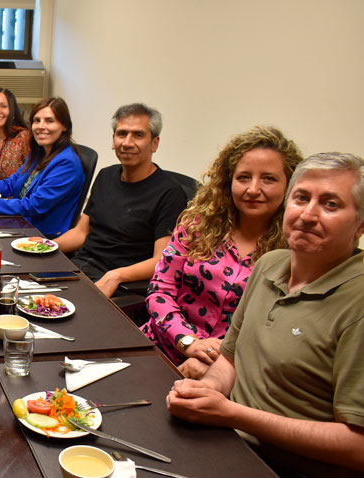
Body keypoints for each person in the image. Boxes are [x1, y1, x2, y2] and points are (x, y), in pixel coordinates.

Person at [167, 152, 364, 477]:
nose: (308, 215)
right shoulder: (270, 264)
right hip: (223, 440)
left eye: (330, 204)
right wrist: (210, 389)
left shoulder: (356, 301)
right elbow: (229, 359)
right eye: (301, 198)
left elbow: (357, 448)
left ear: (360, 224)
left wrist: (231, 414)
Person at [141, 126, 303, 379]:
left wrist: (215, 362)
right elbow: (160, 290)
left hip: (226, 371)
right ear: (229, 182)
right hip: (160, 345)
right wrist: (188, 342)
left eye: (269, 179)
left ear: (289, 185)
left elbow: (276, 334)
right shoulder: (197, 225)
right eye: (244, 177)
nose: (253, 189)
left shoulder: (295, 251)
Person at [54, 103, 188, 297]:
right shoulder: (105, 175)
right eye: (122, 134)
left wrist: (115, 276)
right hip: (80, 269)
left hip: (120, 285)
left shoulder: (170, 193)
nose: (127, 142)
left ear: (155, 143)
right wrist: (44, 247)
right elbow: (81, 232)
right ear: (113, 139)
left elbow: (161, 259)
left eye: (138, 135)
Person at [0, 97, 84, 238]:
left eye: (49, 121)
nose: (41, 126)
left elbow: (33, 206)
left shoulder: (67, 163)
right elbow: (12, 183)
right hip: (21, 221)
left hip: (40, 233)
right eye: (36, 120)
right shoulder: (41, 152)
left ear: (64, 126)